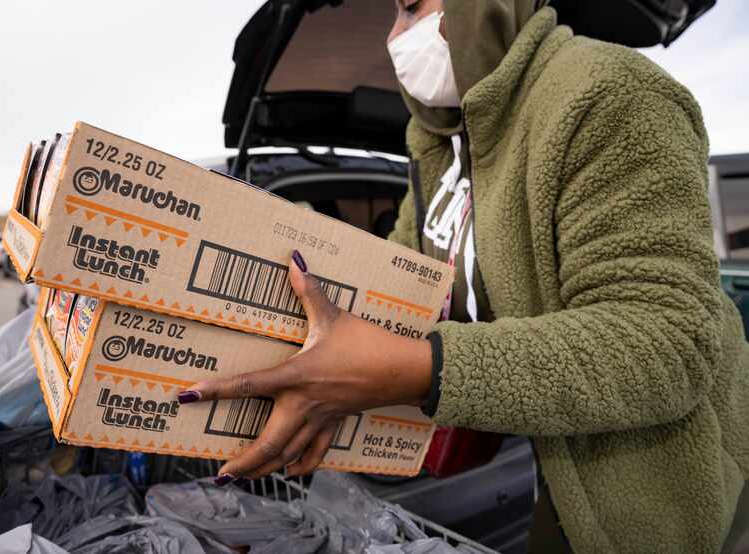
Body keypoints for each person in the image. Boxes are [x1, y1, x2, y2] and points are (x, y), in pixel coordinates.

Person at [178, 1, 749, 551]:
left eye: (408, 6)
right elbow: (401, 279)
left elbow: (666, 342)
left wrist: (415, 369)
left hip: (661, 498)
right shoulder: (437, 146)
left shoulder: (609, 92)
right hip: (555, 465)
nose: (394, 37)